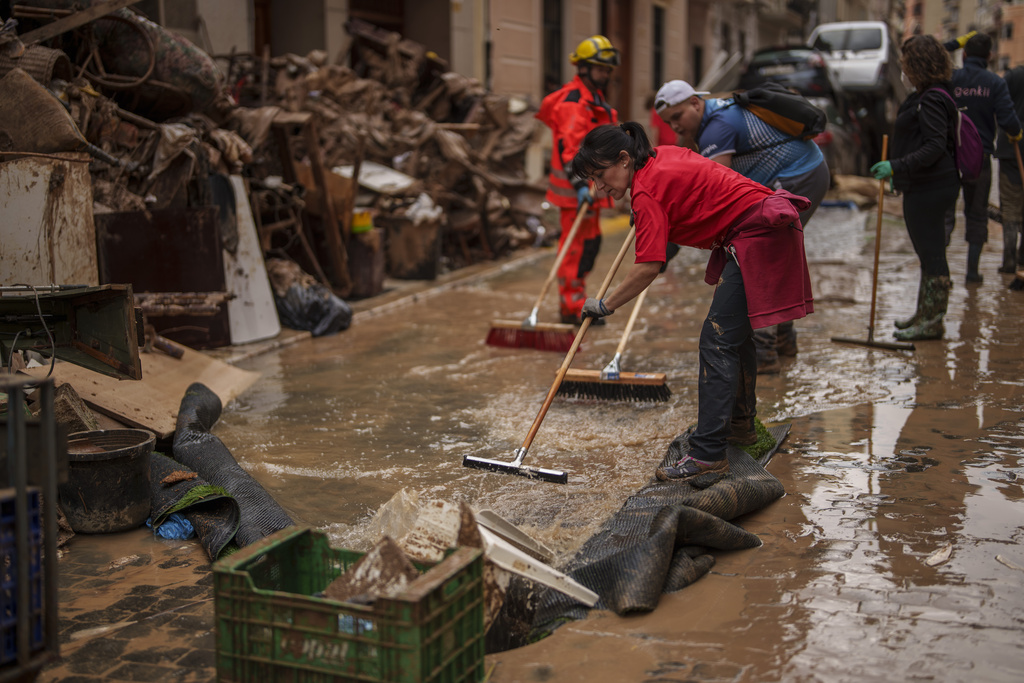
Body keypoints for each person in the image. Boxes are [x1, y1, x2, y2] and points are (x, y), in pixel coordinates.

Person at [568, 122, 813, 481]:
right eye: (591, 179)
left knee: (716, 340)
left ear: (624, 159)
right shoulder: (659, 159)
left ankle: (709, 455)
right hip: (762, 229)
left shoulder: (646, 191)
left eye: (600, 175)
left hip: (758, 234)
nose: (599, 186)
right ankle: (741, 428)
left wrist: (605, 304)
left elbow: (649, 267)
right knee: (733, 337)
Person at [653, 79, 830, 375]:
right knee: (772, 255)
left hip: (798, 178)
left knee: (761, 256)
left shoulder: (716, 127)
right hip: (799, 175)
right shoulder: (712, 116)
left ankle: (764, 348)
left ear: (696, 103)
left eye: (677, 116)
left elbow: (712, 189)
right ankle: (783, 340)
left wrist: (667, 241)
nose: (675, 126)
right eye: (669, 121)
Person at [869, 35, 960, 342]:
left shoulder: (932, 98)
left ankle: (933, 321)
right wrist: (901, 171)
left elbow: (935, 145)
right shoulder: (927, 94)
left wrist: (898, 166)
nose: (903, 69)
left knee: (932, 253)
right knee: (927, 253)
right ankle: (924, 315)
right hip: (923, 184)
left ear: (917, 64)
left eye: (906, 63)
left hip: (932, 187)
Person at [535, 35, 620, 325]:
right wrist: (582, 185)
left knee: (590, 247)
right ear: (583, 68)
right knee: (574, 250)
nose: (605, 75)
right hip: (576, 193)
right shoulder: (573, 103)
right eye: (600, 69)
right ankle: (571, 308)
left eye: (608, 70)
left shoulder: (593, 99)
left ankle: (578, 299)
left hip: (589, 190)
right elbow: (570, 150)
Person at [941, 32, 1022, 283]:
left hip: (949, 158)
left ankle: (940, 273)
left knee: (945, 215)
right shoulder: (994, 83)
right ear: (989, 56)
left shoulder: (949, 78)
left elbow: (934, 54)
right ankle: (972, 273)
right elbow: (1008, 120)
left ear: (964, 54)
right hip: (980, 160)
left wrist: (957, 42)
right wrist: (1016, 134)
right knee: (976, 215)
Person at [993, 65, 1024, 273]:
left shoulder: (1013, 76)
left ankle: (1010, 261)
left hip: (1012, 150)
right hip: (1012, 149)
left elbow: (999, 106)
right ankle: (1021, 259)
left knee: (1011, 207)